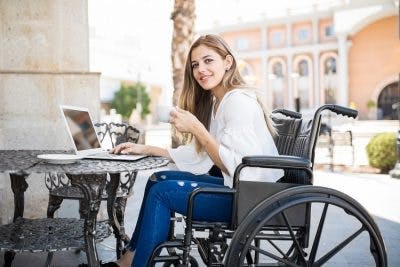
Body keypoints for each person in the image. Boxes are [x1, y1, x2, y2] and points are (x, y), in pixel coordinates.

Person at [104, 34, 283, 267]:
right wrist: (146, 148)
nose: (201, 70)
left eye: (209, 61)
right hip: (239, 189)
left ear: (227, 62)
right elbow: (200, 155)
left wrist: (198, 129)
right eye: (195, 65)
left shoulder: (237, 101)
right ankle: (129, 260)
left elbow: (237, 166)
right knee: (159, 179)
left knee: (163, 192)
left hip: (251, 198)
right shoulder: (220, 101)